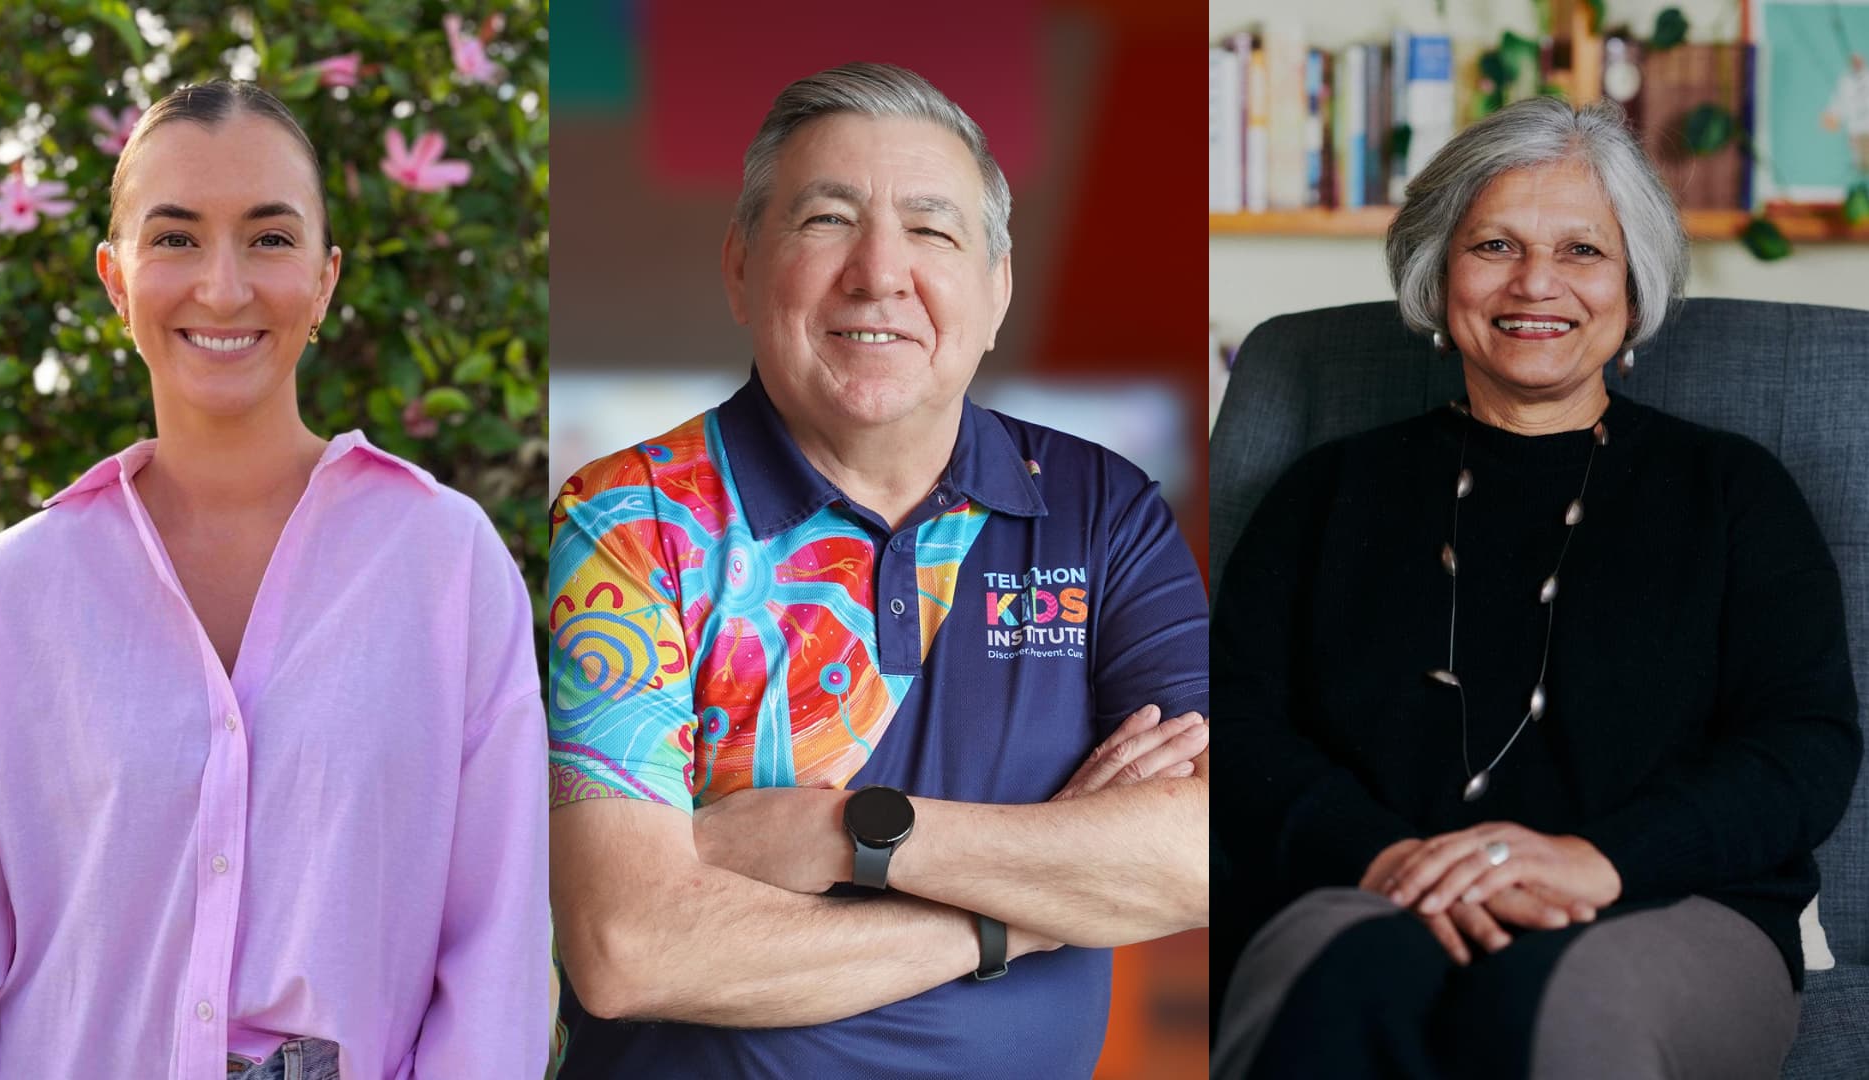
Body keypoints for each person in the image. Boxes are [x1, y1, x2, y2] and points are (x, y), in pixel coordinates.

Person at [546, 62, 1209, 1078]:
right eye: (826, 220)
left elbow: (1199, 857)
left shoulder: (1101, 509)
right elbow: (627, 950)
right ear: (740, 268)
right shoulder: (633, 520)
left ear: (997, 292)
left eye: (934, 230)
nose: (879, 273)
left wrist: (850, 836)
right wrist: (1012, 925)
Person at [0, 81, 550, 1079]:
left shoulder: (447, 566)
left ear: (325, 280)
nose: (225, 286)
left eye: (271, 239)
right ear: (116, 279)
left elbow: (496, 969)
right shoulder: (22, 590)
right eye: (177, 238)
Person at [1210, 95, 1861, 1078]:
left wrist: (1600, 861)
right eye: (1496, 246)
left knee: (1551, 1007)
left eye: (1583, 252)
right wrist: (1389, 860)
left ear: (1636, 289)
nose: (1537, 285)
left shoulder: (1732, 493)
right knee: (1335, 986)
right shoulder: (1327, 494)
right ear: (1438, 275)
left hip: (1670, 903)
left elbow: (1802, 746)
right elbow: (1238, 728)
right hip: (1369, 888)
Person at [1819, 53, 1869, 177]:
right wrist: (1831, 115)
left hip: (1866, 125)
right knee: (1859, 161)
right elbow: (1838, 100)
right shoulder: (1845, 81)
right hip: (1854, 127)